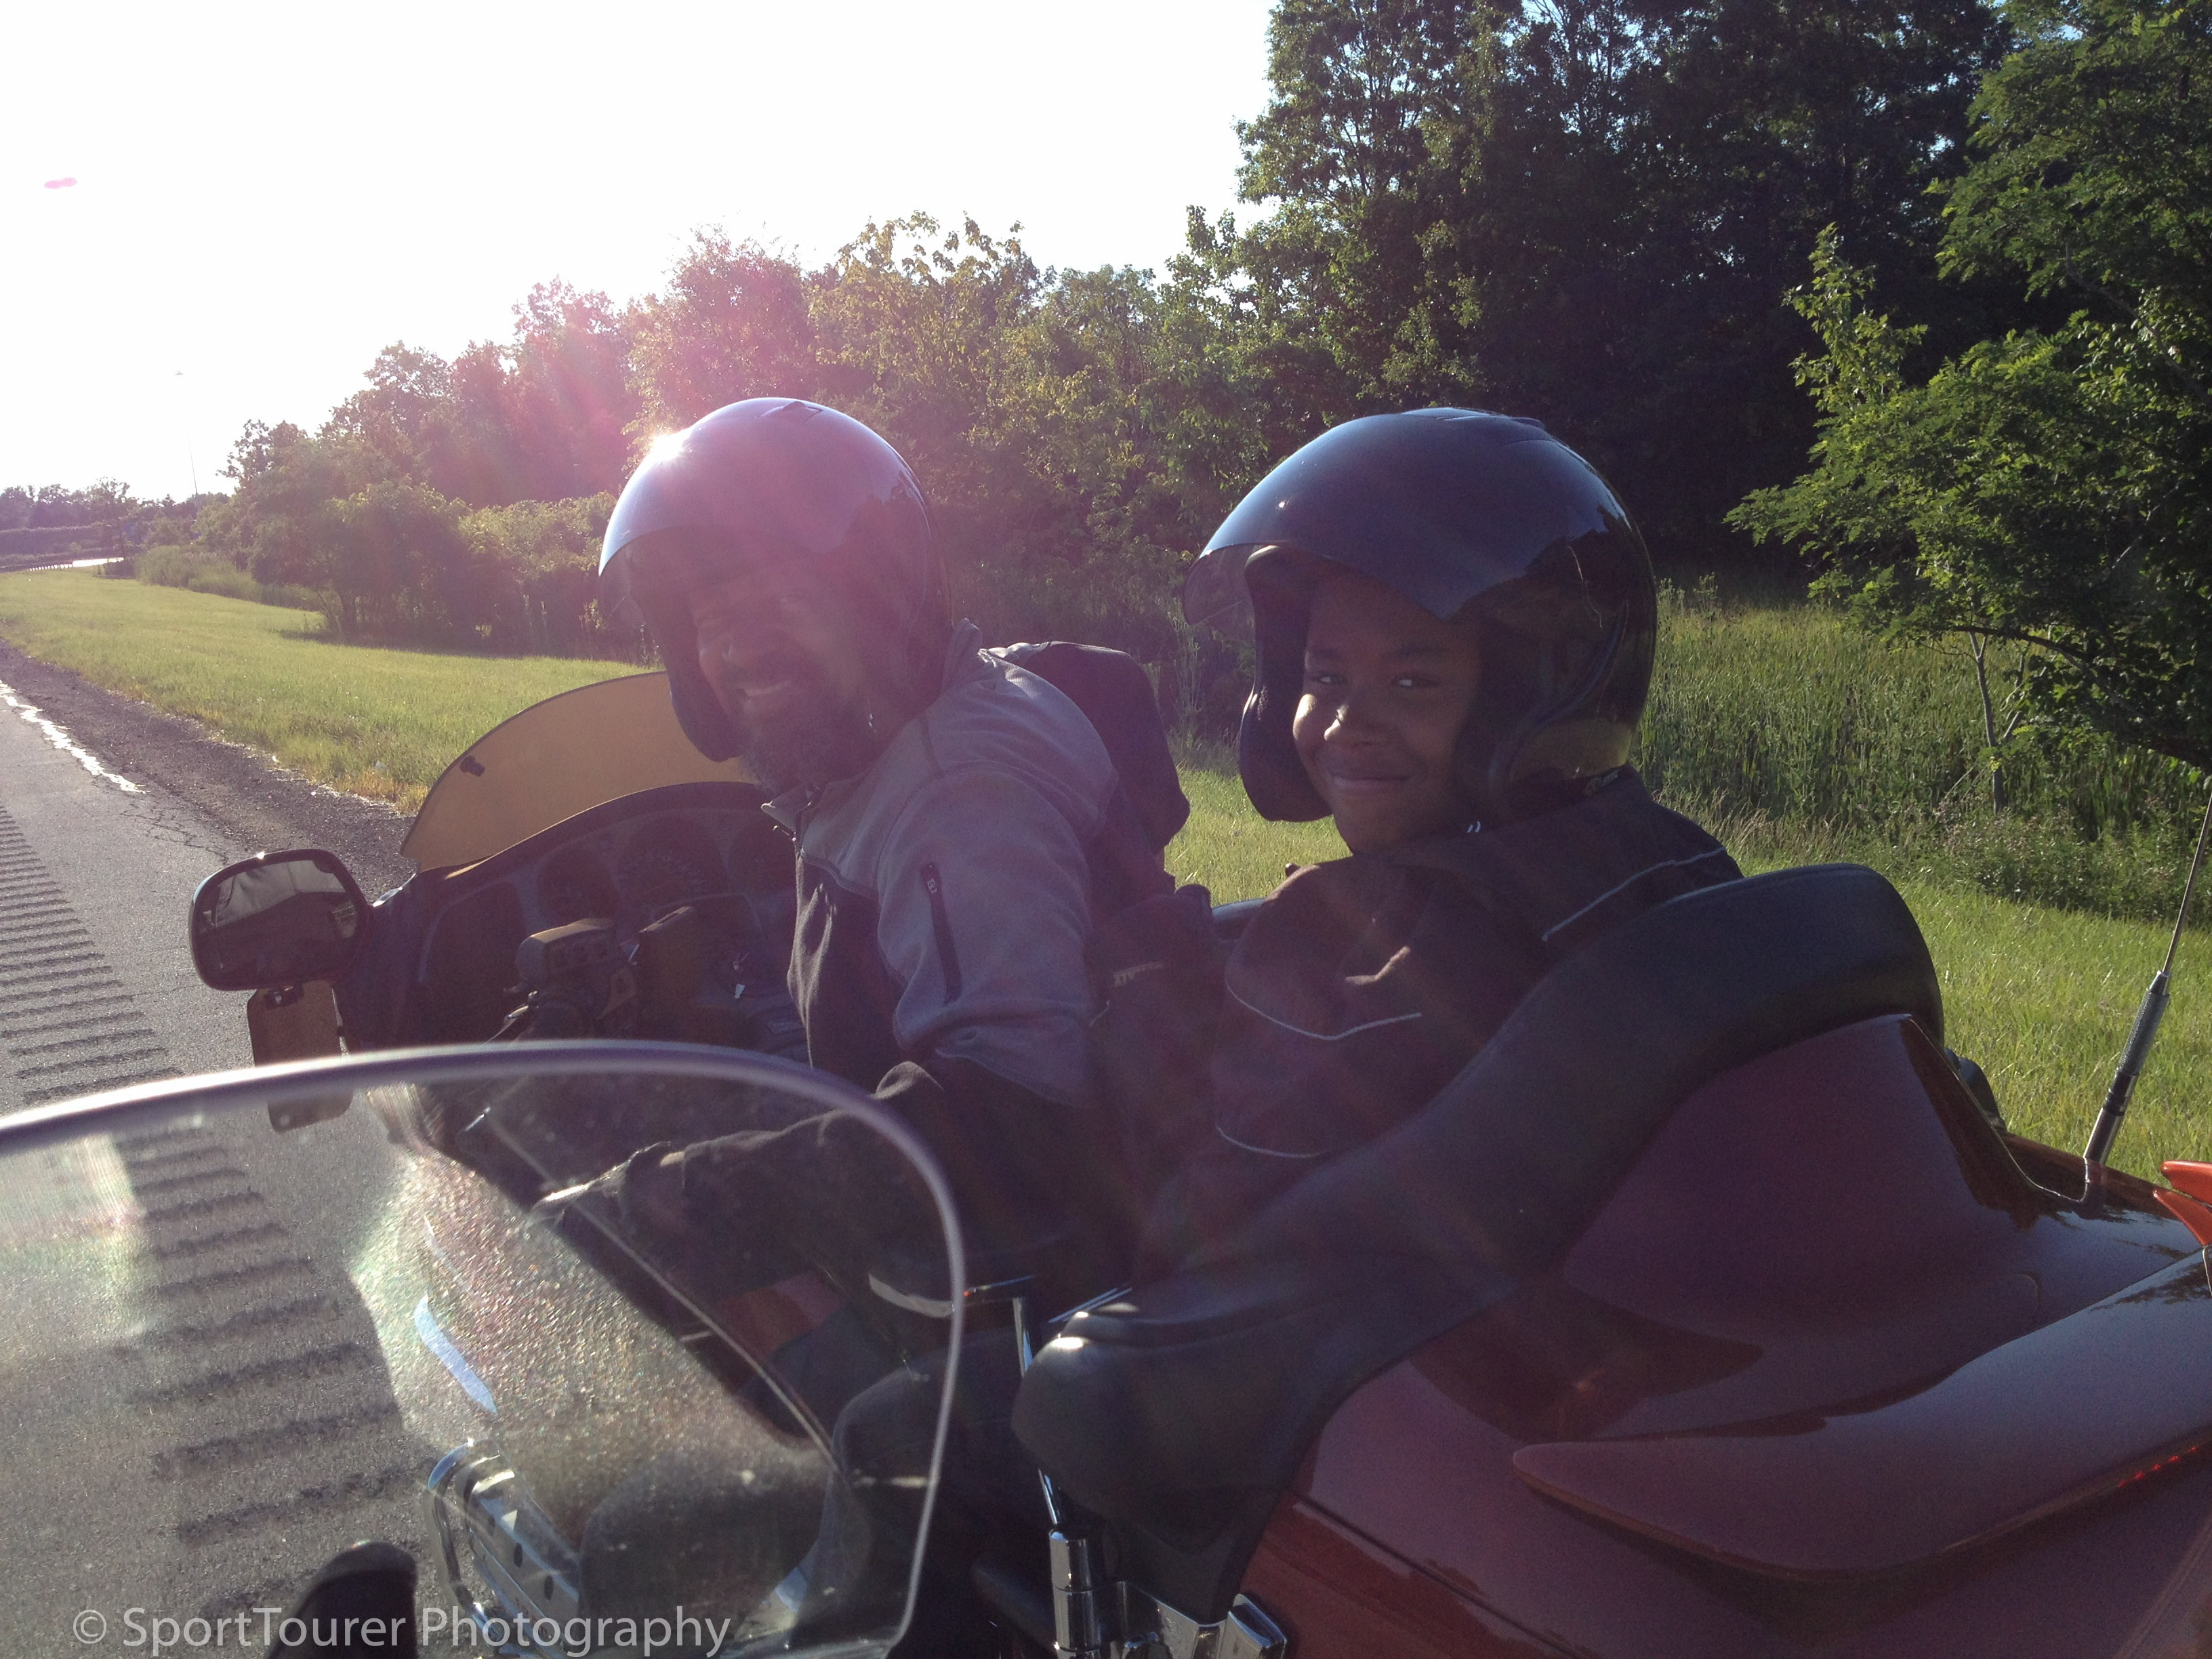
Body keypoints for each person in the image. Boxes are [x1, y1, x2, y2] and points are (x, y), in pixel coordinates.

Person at [581, 395, 1168, 1267]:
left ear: (876, 603)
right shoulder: (907, 724)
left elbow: (1017, 1107)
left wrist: (676, 1200)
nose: (743, 650)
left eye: (781, 599)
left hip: (997, 1278)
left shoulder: (960, 794)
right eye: (712, 620)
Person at [1149, 407, 1742, 1267]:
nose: (1350, 722)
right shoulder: (1681, 864)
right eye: (1324, 675)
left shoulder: (1346, 965)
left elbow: (1209, 1246)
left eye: (1412, 681)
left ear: (1522, 700)